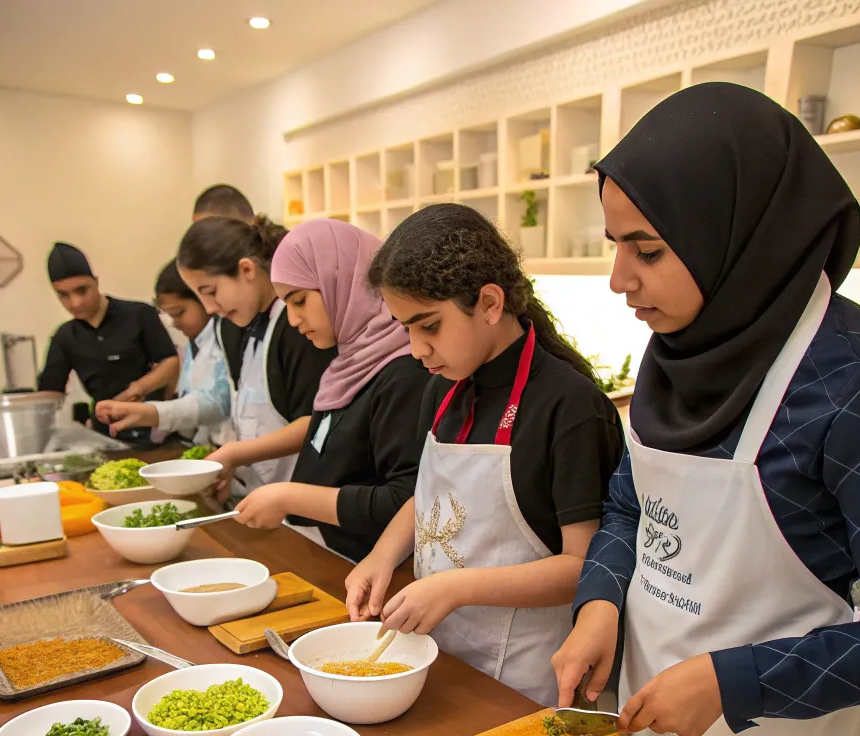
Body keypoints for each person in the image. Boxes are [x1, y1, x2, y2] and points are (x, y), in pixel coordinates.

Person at [552, 83, 860, 736]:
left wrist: (733, 680)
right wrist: (601, 602)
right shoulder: (680, 347)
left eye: (646, 250)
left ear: (738, 233)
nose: (620, 280)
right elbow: (629, 502)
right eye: (615, 246)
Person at [345, 204, 624, 705]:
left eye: (428, 326)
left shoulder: (571, 406)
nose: (415, 349)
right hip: (442, 654)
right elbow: (431, 499)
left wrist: (454, 588)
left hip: (526, 677)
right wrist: (381, 556)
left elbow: (584, 566)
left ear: (490, 303)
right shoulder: (445, 386)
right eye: (404, 328)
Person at [231, 219, 427, 561]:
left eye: (299, 301)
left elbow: (406, 500)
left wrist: (291, 497)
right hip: (325, 551)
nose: (293, 320)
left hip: (371, 574)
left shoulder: (404, 373)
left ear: (342, 282)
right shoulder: (347, 364)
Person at [177, 216, 334, 496]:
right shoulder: (236, 324)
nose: (209, 308)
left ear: (247, 269)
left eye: (211, 292)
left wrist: (237, 453)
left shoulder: (299, 325)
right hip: (258, 492)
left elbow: (317, 420)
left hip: (302, 498)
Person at [38, 242, 179, 446]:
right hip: (105, 434)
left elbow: (170, 362)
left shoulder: (139, 314)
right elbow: (49, 394)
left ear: (96, 282)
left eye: (82, 290)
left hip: (154, 427)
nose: (75, 303)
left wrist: (136, 390)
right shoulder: (64, 336)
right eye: (64, 295)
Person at [93, 260, 232, 447]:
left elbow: (216, 403)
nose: (174, 322)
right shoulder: (195, 341)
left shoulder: (225, 338)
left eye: (179, 312)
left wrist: (151, 413)